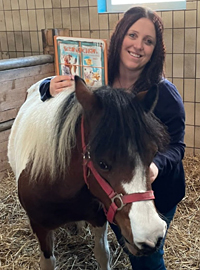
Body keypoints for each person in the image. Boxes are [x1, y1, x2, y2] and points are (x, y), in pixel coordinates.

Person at [39, 6, 185, 270]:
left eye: (148, 41)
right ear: (120, 37)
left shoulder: (163, 94)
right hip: (119, 191)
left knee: (148, 259)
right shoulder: (98, 80)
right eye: (132, 35)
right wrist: (46, 86)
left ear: (155, 49)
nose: (138, 45)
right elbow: (65, 86)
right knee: (130, 247)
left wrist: (156, 165)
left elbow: (177, 146)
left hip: (158, 191)